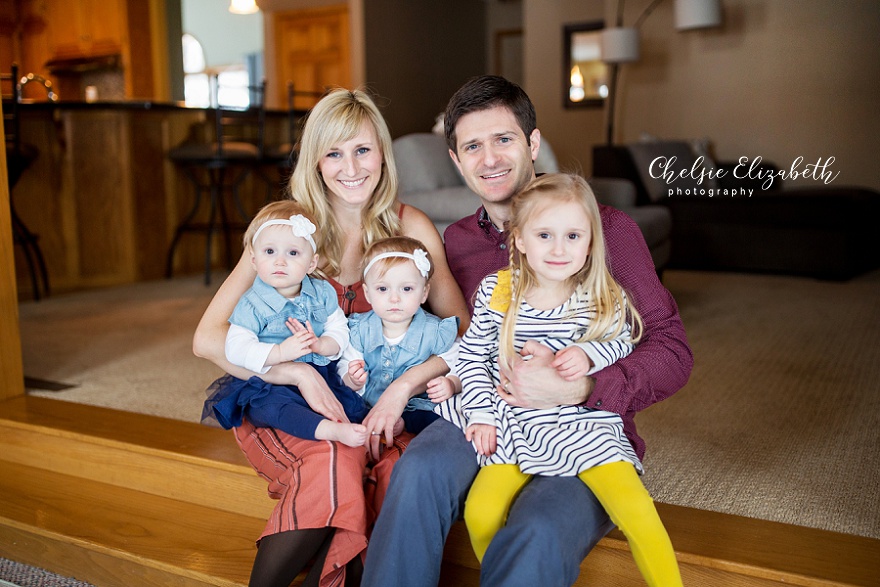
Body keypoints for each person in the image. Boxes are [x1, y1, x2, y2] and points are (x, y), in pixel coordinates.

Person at [362, 75, 693, 587]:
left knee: (537, 529)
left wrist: (582, 385)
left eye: (504, 139)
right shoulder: (458, 241)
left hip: (582, 428)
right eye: (472, 145)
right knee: (419, 472)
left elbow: (671, 349)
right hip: (487, 414)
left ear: (533, 143)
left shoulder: (605, 232)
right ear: (455, 159)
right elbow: (450, 335)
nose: (489, 158)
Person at [193, 88, 469, 587]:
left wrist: (403, 387)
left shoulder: (411, 226)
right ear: (315, 162)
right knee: (333, 461)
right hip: (283, 396)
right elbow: (208, 339)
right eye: (334, 153)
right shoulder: (285, 229)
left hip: (377, 400)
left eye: (362, 150)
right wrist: (295, 371)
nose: (351, 167)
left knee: (395, 473)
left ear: (383, 153)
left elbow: (464, 338)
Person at [435, 173, 682, 586]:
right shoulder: (500, 290)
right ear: (520, 241)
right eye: (545, 234)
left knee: (636, 509)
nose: (559, 248)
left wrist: (588, 355)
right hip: (516, 424)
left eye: (573, 236)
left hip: (584, 424)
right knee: (480, 510)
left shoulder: (600, 292)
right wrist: (480, 414)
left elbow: (623, 339)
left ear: (589, 245)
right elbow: (473, 355)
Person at [202, 200, 369, 448]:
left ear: (311, 263)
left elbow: (339, 328)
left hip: (321, 373)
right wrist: (279, 352)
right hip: (271, 381)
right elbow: (235, 348)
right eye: (270, 252)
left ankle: (368, 431)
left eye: (292, 253)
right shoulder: (252, 304)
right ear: (254, 260)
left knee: (351, 402)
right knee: (272, 409)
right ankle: (328, 429)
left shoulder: (322, 292)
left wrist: (324, 344)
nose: (280, 261)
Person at [338, 236, 460, 438]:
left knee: (438, 415)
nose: (394, 298)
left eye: (407, 289)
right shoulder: (360, 329)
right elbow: (347, 360)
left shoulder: (435, 331)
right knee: (346, 406)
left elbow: (460, 359)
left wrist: (452, 383)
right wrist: (351, 378)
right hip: (368, 404)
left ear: (424, 293)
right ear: (368, 294)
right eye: (383, 289)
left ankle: (403, 425)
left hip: (416, 407)